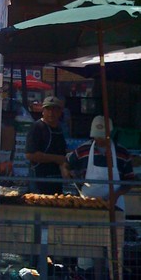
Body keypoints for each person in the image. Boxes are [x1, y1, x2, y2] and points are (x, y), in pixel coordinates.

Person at [65, 115, 134, 278]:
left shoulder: (122, 153)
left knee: (114, 247)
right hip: (88, 204)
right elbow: (67, 163)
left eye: (103, 136)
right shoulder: (82, 151)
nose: (100, 140)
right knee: (85, 245)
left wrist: (116, 195)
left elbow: (129, 180)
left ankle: (114, 274)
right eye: (97, 136)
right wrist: (66, 170)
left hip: (114, 206)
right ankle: (85, 274)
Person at [25, 96, 67, 195]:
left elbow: (61, 152)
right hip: (39, 179)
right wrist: (56, 159)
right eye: (48, 110)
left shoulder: (60, 129)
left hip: (56, 179)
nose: (51, 113)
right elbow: (30, 154)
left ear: (60, 112)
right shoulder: (37, 127)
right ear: (43, 111)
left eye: (54, 110)